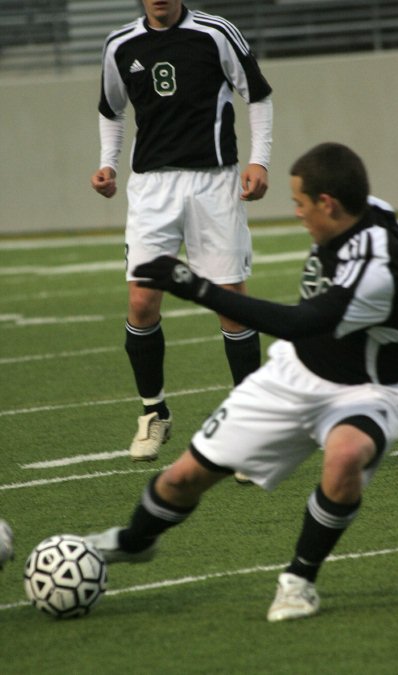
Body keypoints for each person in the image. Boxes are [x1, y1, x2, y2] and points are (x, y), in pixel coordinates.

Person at [85, 142, 398, 621]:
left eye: (300, 204)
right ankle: (134, 542)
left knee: (344, 458)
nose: (297, 214)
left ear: (328, 204)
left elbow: (300, 321)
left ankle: (299, 580)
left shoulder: (377, 268)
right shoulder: (376, 214)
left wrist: (193, 285)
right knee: (183, 479)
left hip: (369, 390)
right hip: (294, 374)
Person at [91, 0, 273, 463]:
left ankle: (249, 429)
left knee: (231, 301)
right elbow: (112, 110)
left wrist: (259, 159)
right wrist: (106, 165)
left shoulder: (215, 33)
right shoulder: (119, 45)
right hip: (152, 188)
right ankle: (154, 413)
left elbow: (257, 94)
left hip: (214, 182)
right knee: (141, 301)